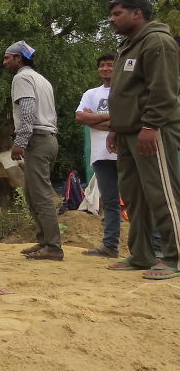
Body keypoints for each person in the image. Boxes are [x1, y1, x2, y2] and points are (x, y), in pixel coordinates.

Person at [105, 0, 180, 280]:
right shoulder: (128, 46)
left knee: (162, 193)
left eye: (117, 14)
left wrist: (151, 126)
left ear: (137, 14)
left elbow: (162, 90)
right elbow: (125, 94)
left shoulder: (158, 42)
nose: (112, 19)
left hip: (151, 131)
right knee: (134, 197)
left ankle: (174, 257)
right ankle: (141, 254)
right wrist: (115, 127)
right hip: (127, 132)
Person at [3, 40, 63, 260]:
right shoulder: (41, 79)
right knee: (31, 193)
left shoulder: (21, 78)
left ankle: (54, 247)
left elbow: (27, 112)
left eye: (7, 57)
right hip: (48, 139)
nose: (5, 62)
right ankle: (44, 241)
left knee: (40, 195)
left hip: (36, 141)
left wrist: (21, 141)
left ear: (19, 58)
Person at [76, 53, 120, 258]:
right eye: (102, 65)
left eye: (110, 65)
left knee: (138, 201)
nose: (106, 68)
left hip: (125, 154)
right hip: (100, 155)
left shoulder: (125, 91)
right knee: (110, 202)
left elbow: (127, 120)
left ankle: (150, 249)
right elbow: (80, 117)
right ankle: (110, 246)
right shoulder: (91, 93)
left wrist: (93, 119)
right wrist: (112, 118)